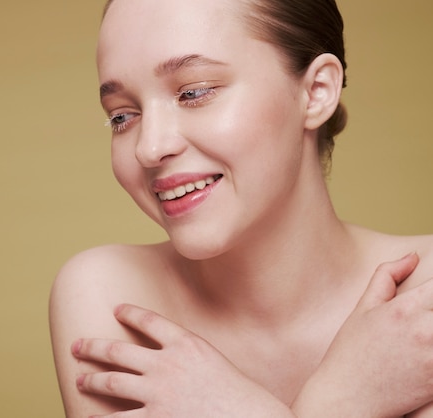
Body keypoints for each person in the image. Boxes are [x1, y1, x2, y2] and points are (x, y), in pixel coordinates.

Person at [49, 0, 433, 416]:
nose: (149, 147)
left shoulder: (420, 300)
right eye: (122, 117)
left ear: (316, 92)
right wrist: (342, 398)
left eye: (193, 92)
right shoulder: (113, 295)